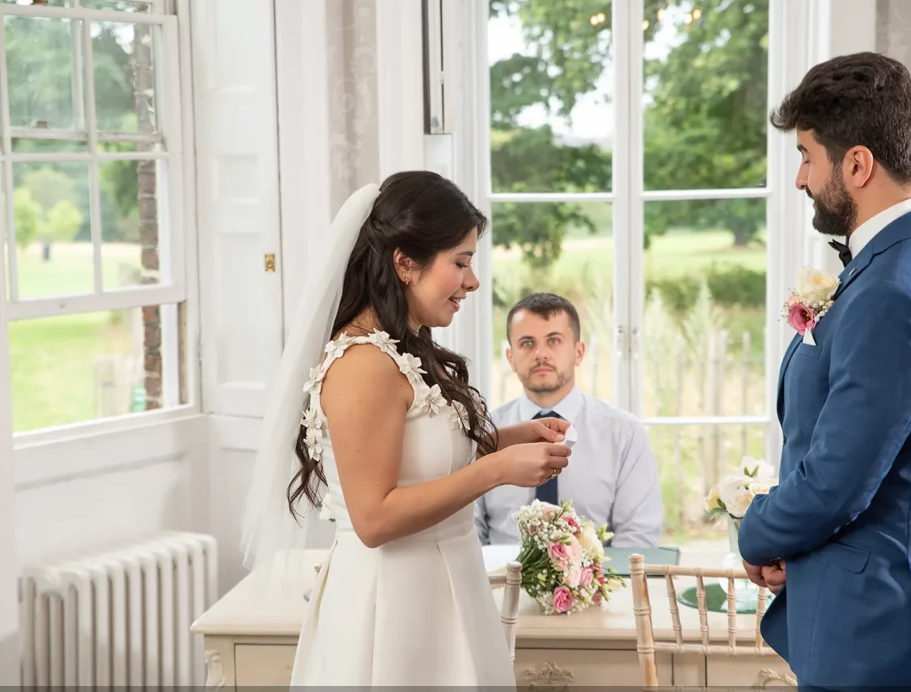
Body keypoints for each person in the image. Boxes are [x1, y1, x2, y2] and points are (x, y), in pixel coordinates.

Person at [239, 172, 574, 686]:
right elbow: (373, 518)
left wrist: (502, 441)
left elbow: (419, 458)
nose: (472, 281)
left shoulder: (402, 347)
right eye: (460, 262)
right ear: (405, 263)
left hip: (445, 583)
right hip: (395, 605)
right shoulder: (362, 365)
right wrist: (496, 470)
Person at [736, 53, 911, 690]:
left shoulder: (893, 292)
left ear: (857, 164)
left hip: (878, 632)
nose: (800, 179)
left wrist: (756, 531)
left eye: (806, 156)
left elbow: (835, 483)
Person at [475, 293, 663, 547]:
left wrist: (590, 584)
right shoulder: (482, 433)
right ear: (510, 358)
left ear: (579, 352)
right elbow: (467, 532)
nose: (541, 354)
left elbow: (637, 536)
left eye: (554, 341)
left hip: (596, 584)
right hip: (501, 583)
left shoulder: (624, 434)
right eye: (527, 343)